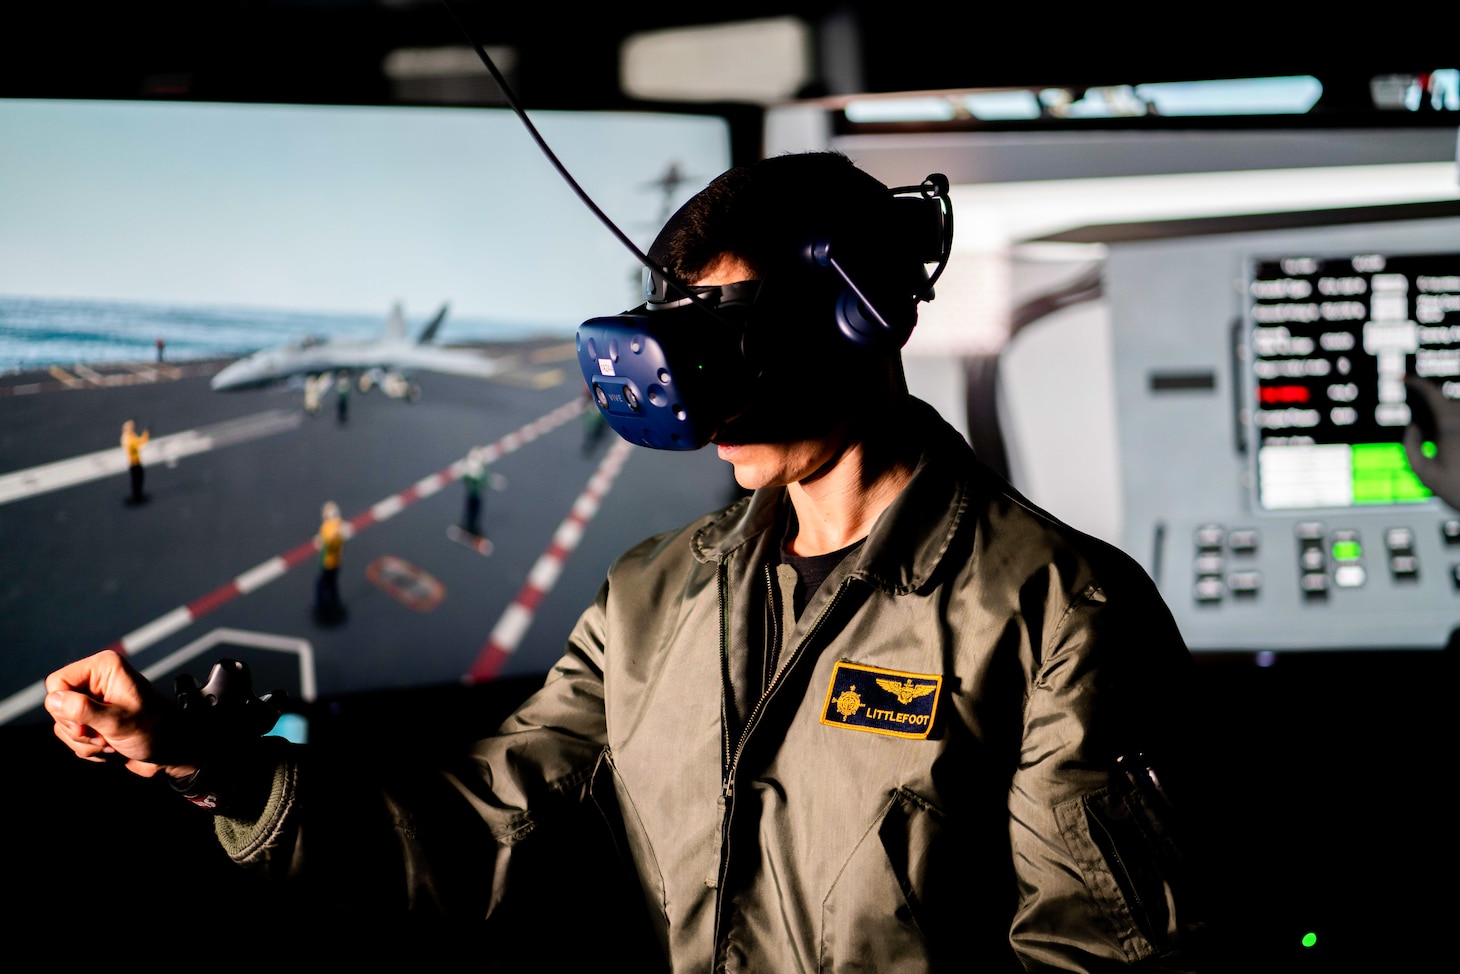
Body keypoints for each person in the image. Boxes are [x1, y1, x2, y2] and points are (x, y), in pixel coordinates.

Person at [45, 152, 1209, 970]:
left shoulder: (1058, 611)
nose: (697, 392)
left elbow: (1113, 959)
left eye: (731, 339)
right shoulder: (654, 598)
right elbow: (475, 834)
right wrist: (210, 763)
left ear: (859, 322)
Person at [313, 500, 345, 622]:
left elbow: (323, 542)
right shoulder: (339, 525)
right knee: (333, 584)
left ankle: (321, 606)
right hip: (337, 562)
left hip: (327, 562)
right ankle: (335, 602)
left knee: (320, 585)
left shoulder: (326, 528)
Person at [120, 418, 150, 504]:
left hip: (135, 462)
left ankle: (138, 496)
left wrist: (145, 434)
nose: (132, 427)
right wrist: (145, 435)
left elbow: (140, 442)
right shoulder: (128, 438)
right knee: (137, 480)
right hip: (134, 462)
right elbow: (137, 445)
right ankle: (137, 497)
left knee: (137, 480)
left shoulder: (129, 436)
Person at [461, 447, 487, 537]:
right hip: (474, 496)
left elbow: (465, 479)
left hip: (474, 495)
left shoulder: (472, 469)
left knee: (472, 512)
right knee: (472, 512)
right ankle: (470, 528)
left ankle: (471, 527)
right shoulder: (476, 471)